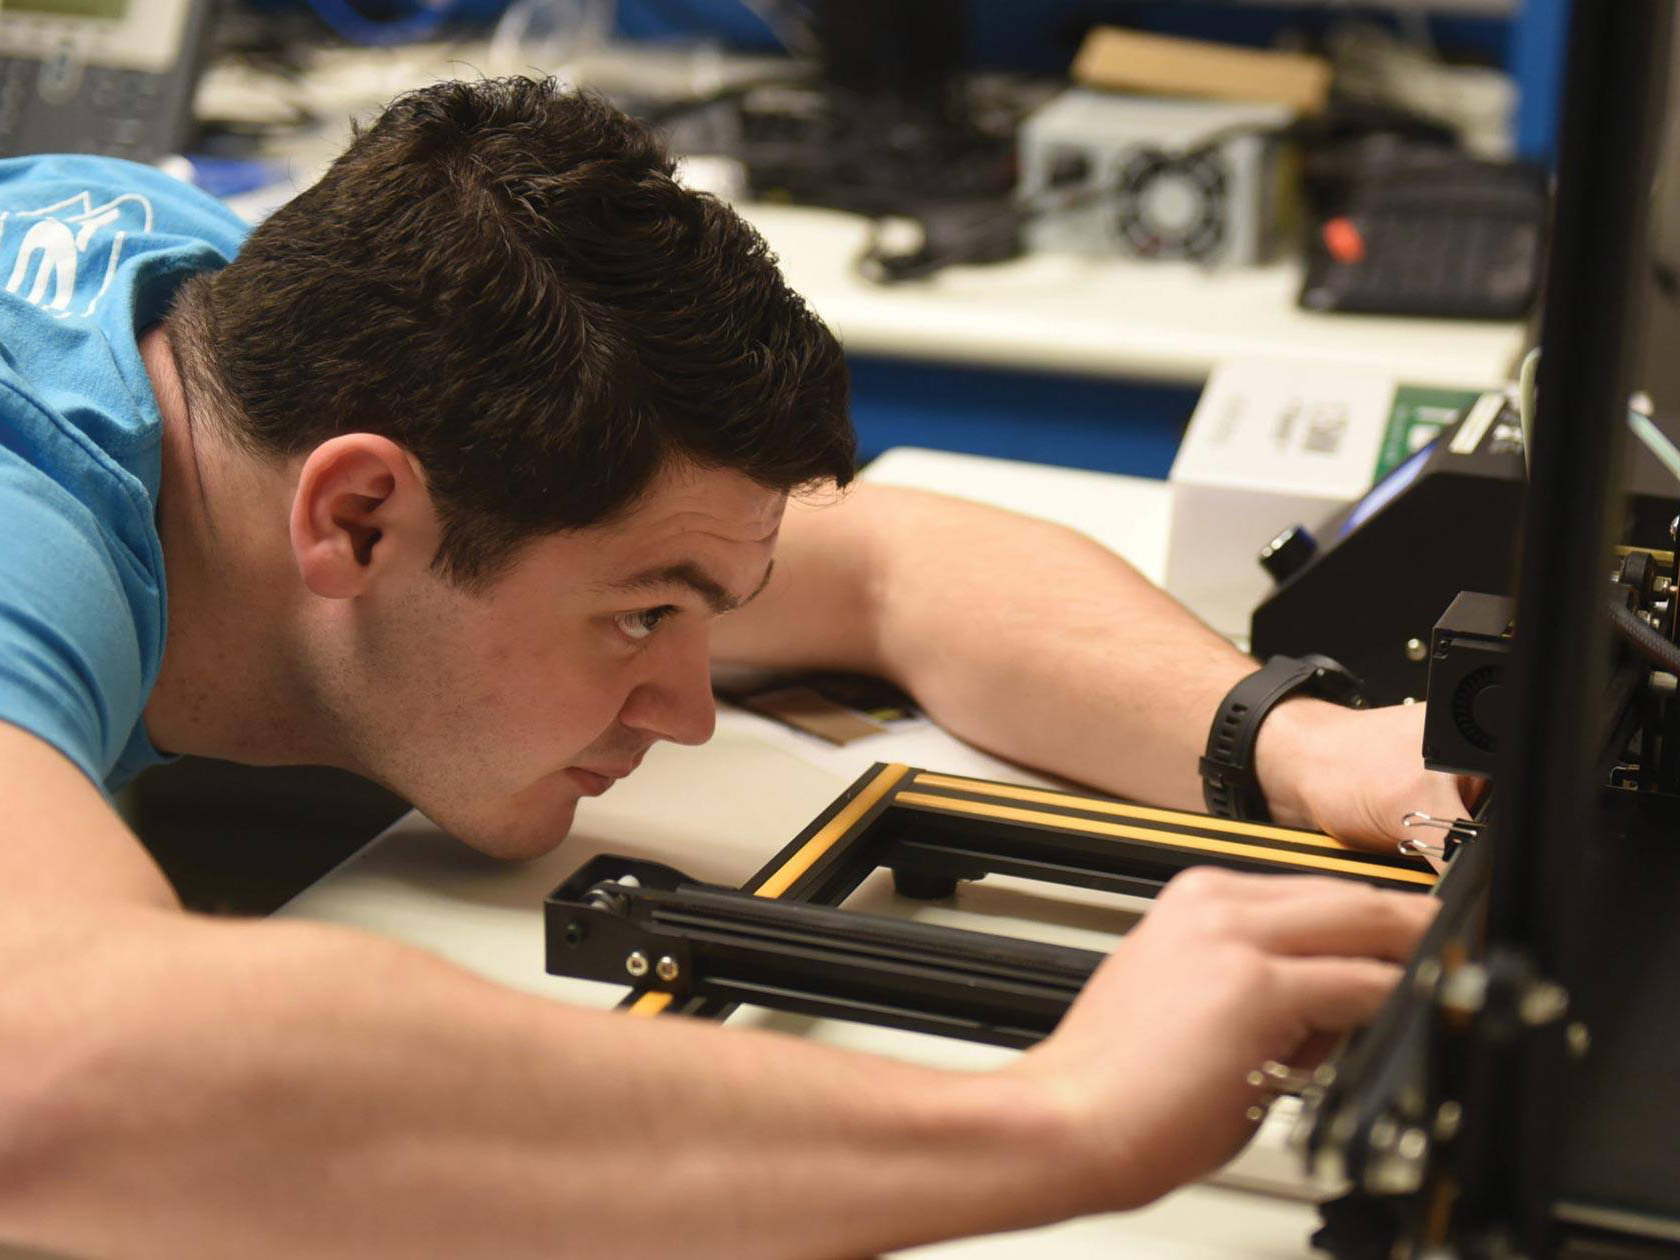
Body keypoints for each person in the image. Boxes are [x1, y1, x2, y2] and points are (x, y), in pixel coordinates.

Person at [0, 78, 1460, 1256]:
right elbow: (65, 1080)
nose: (692, 710)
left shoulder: (234, 344)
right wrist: (1065, 1117)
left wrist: (1310, 748)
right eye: (644, 618)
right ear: (359, 516)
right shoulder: (30, 513)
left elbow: (892, 564)